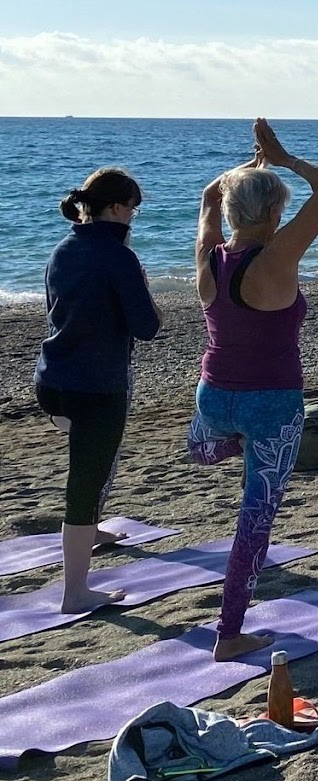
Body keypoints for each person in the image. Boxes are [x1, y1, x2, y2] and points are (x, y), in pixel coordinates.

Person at [188, 120, 318, 661]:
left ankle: (222, 444)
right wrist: (281, 157)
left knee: (207, 449)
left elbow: (208, 199)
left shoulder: (209, 256)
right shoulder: (278, 258)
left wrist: (239, 175)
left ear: (230, 212)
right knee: (254, 522)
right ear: (275, 214)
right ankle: (229, 634)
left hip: (213, 396)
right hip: (273, 406)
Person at [33, 169, 162, 613]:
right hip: (96, 388)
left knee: (93, 467)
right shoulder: (119, 257)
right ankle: (75, 592)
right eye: (133, 209)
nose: (133, 218)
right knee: (85, 483)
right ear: (114, 208)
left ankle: (94, 530)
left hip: (51, 381)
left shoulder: (63, 248)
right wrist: (144, 290)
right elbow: (146, 327)